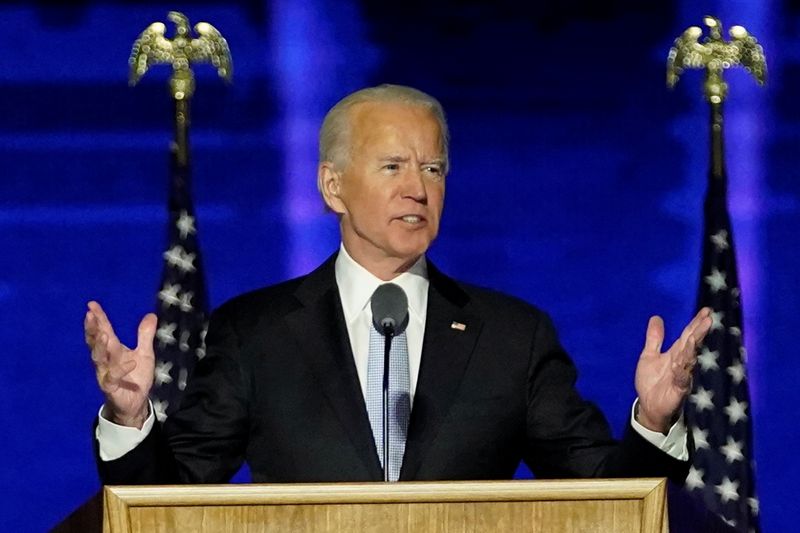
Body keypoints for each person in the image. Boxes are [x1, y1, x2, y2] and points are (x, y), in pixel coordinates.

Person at [87, 84, 711, 485]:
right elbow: (170, 501)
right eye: (392, 166)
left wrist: (654, 423)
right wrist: (130, 416)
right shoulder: (255, 334)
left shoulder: (511, 336)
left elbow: (607, 495)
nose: (418, 187)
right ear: (333, 186)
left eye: (433, 168)